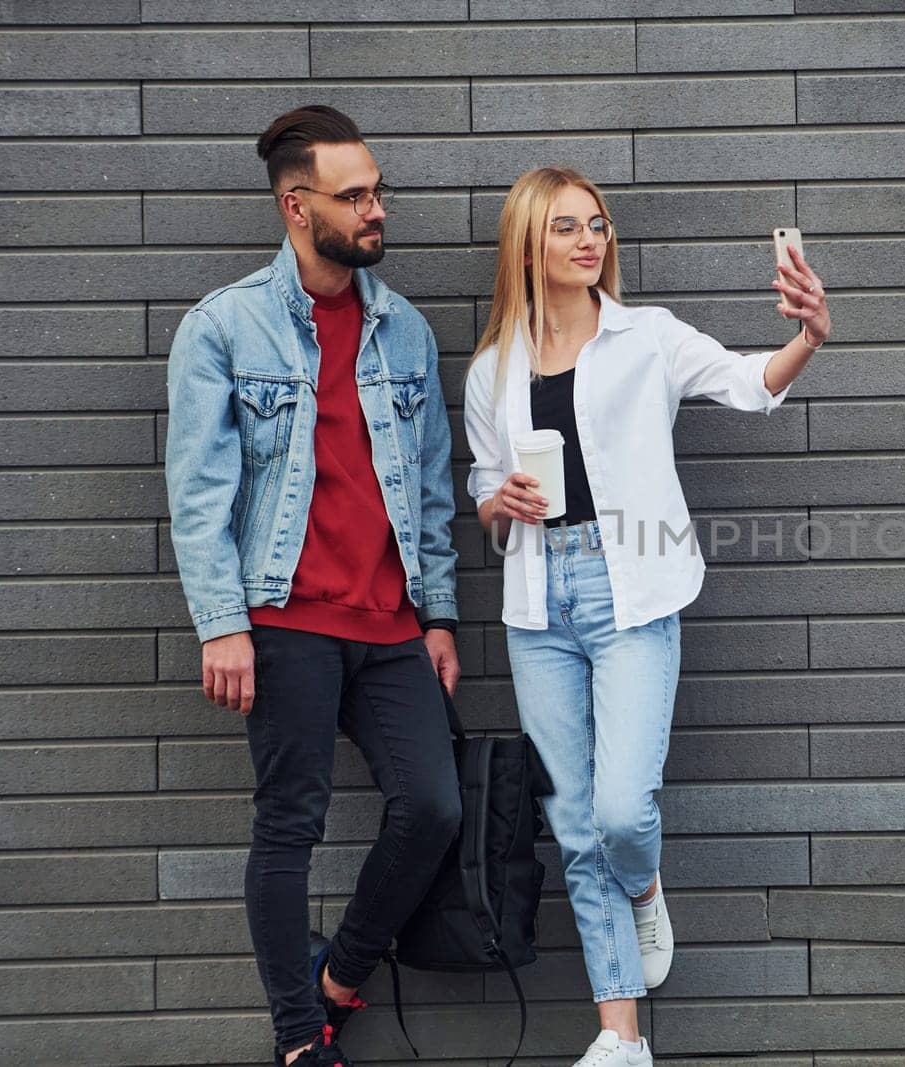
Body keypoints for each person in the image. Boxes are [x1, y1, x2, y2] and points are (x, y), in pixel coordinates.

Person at [462, 166, 832, 1067]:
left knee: (621, 815)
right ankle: (619, 1036)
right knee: (573, 819)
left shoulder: (648, 338)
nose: (590, 240)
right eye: (566, 228)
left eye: (597, 224)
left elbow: (751, 382)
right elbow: (480, 487)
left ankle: (645, 877)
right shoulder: (493, 370)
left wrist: (810, 335)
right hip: (537, 601)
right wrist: (498, 502)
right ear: (527, 246)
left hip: (632, 593)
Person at [165, 105, 463, 1067]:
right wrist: (222, 624)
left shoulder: (402, 330)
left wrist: (440, 614)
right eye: (355, 196)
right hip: (282, 614)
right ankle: (300, 1037)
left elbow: (427, 490)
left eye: (378, 191)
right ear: (298, 207)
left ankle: (339, 978)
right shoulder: (224, 326)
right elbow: (202, 492)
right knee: (288, 821)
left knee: (435, 808)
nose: (376, 210)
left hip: (388, 622)